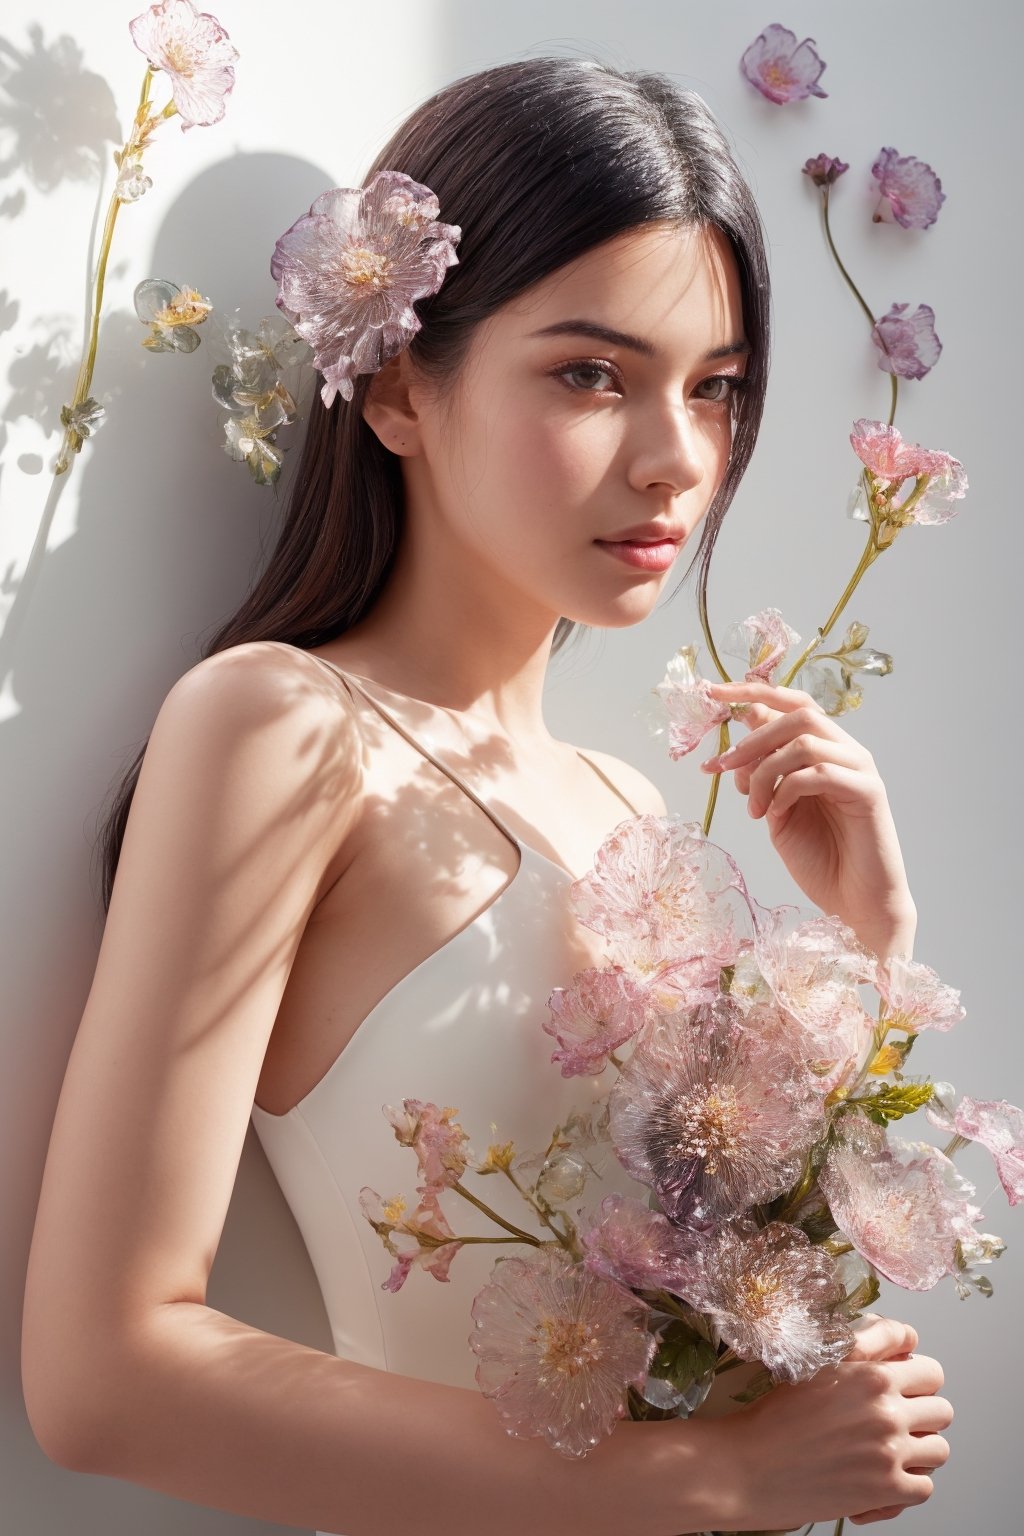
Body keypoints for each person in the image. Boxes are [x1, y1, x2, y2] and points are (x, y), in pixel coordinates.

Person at [21, 55, 952, 1535]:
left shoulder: (626, 805)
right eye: (591, 373)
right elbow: (105, 1371)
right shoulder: (279, 725)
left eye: (715, 391)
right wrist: (721, 1475)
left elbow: (710, 1299)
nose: (676, 461)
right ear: (397, 383)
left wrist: (874, 933)